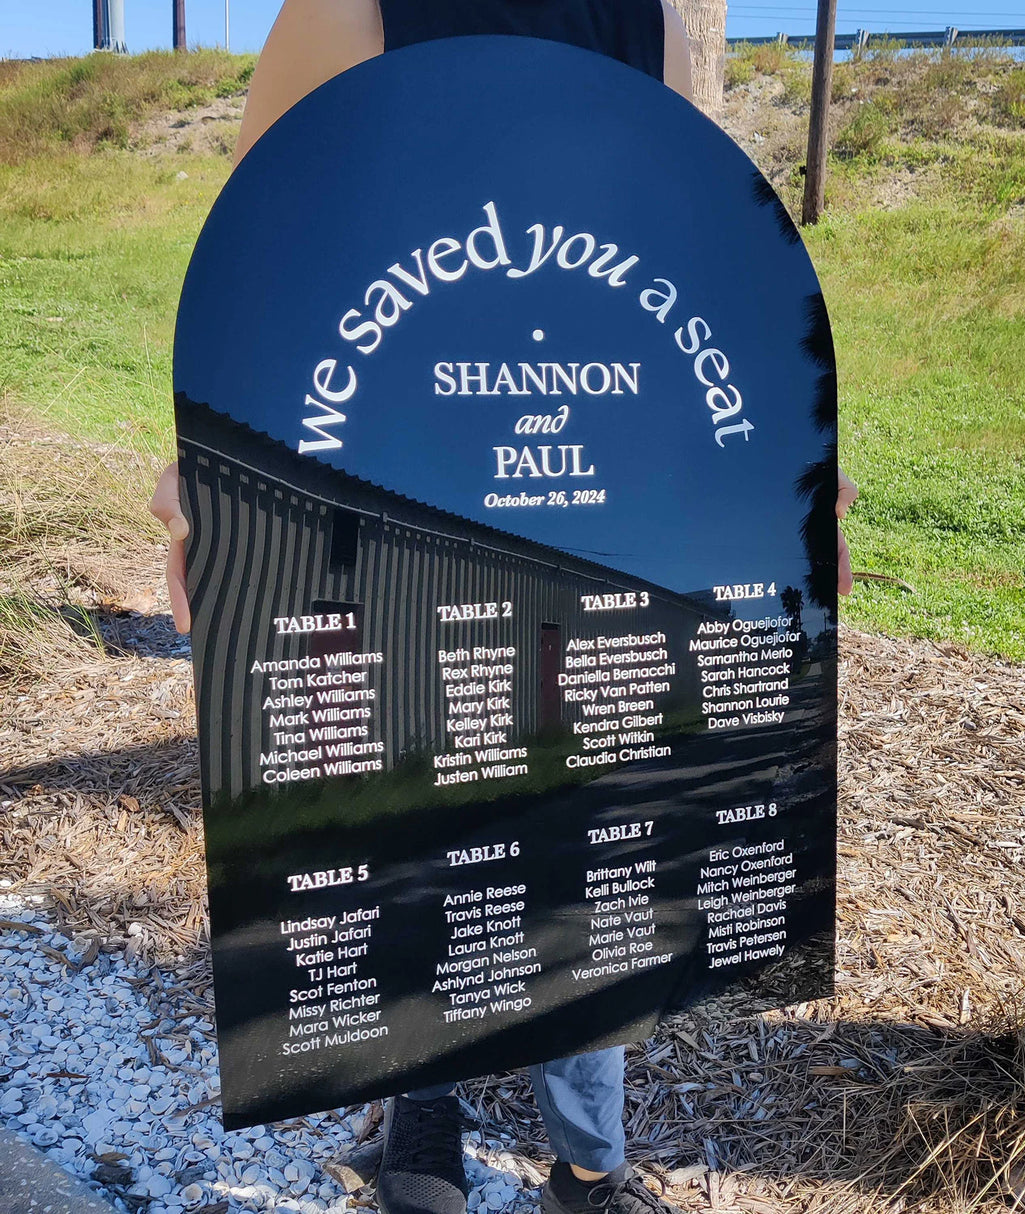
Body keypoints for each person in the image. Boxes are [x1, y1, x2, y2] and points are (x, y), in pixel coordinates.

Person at [149, 4, 857, 1213]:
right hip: (392, 466)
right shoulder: (345, 7)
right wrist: (205, 478)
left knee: (584, 805)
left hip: (598, 482)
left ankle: (587, 1160)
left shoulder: (660, 20)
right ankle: (419, 1113)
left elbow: (687, 264)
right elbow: (269, 251)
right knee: (429, 795)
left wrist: (781, 483)